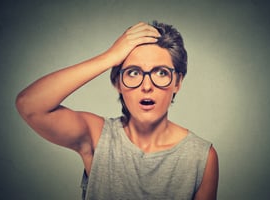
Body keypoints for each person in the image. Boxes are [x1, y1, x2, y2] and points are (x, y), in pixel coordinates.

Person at [16, 21, 219, 200]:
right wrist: (110, 57)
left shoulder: (201, 156)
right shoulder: (97, 136)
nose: (146, 86)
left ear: (177, 82)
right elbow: (29, 105)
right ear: (117, 82)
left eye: (160, 72)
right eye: (133, 72)